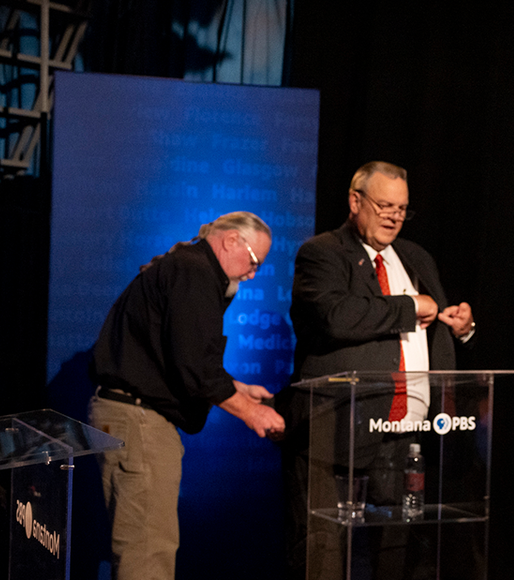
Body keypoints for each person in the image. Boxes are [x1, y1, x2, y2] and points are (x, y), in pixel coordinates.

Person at [282, 160, 475, 579]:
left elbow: (429, 322)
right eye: (385, 205)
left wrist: (460, 327)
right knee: (323, 553)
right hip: (335, 432)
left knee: (397, 553)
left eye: (402, 209)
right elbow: (336, 315)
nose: (394, 216)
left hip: (403, 435)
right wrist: (410, 308)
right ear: (355, 201)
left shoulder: (415, 256)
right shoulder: (323, 252)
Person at [87, 211, 286, 580]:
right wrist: (252, 413)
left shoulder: (184, 266)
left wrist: (237, 388)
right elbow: (194, 368)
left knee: (142, 547)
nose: (252, 273)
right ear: (230, 241)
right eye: (254, 262)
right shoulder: (194, 271)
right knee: (147, 555)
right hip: (141, 423)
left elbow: (173, 356)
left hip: (132, 419)